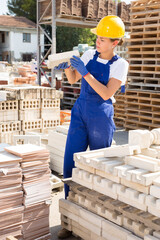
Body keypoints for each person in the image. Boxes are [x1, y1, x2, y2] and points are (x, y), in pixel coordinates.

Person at [56, 15, 129, 239]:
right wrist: (67, 68)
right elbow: (72, 80)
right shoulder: (88, 54)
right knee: (70, 165)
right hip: (80, 114)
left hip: (101, 117)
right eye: (97, 37)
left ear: (115, 42)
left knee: (99, 169)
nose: (98, 41)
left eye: (103, 39)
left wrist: (85, 72)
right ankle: (68, 221)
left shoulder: (121, 65)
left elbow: (107, 93)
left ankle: (96, 218)